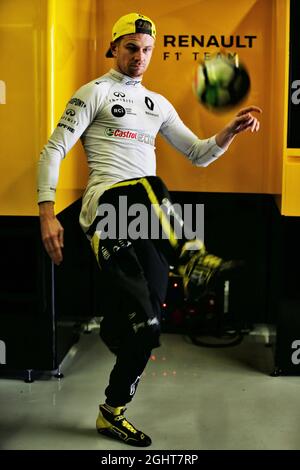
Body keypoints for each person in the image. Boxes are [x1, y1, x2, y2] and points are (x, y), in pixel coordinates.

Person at [38, 12, 261, 447]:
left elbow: (197, 154)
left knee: (149, 326)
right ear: (114, 49)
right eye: (131, 48)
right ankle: (193, 259)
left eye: (146, 50)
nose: (139, 57)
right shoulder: (94, 93)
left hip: (145, 221)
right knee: (150, 184)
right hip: (106, 211)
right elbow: (53, 149)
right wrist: (47, 213)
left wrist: (229, 131)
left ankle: (112, 411)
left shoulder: (158, 104)